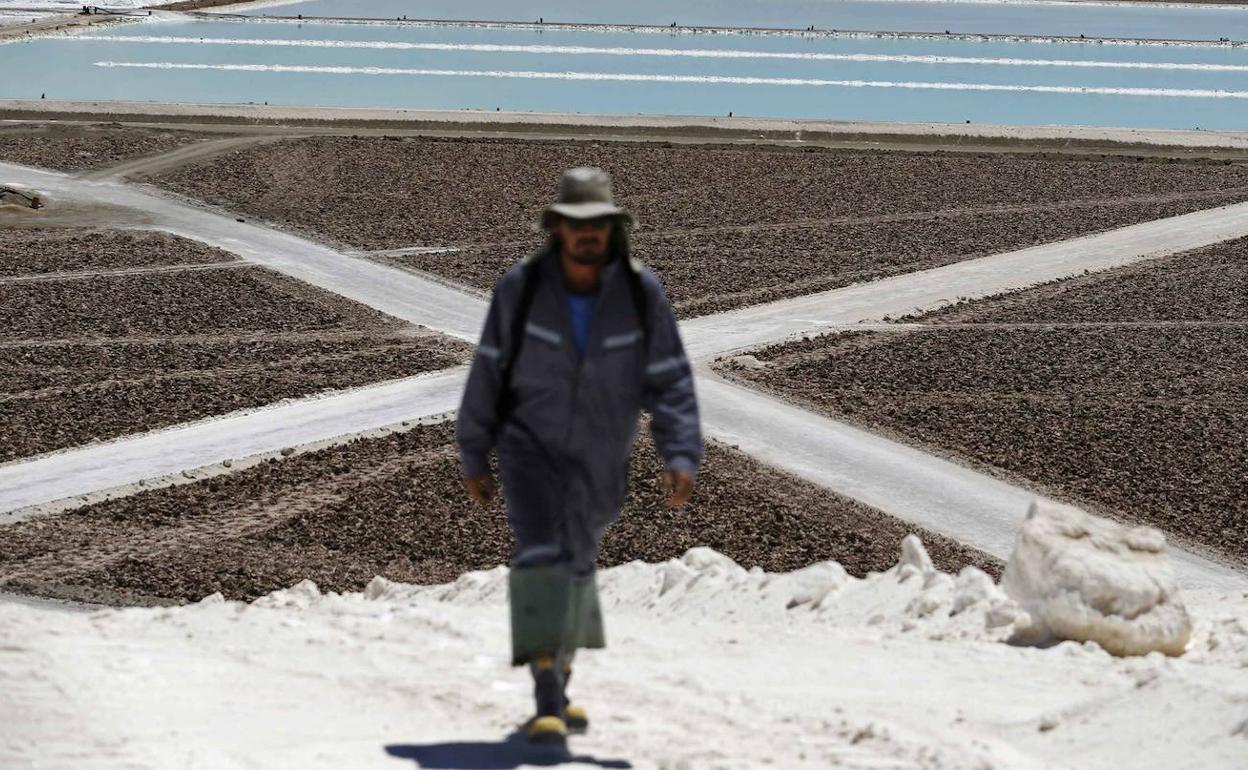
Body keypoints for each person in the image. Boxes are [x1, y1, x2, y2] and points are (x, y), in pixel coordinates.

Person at [457, 167, 702, 744]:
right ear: (558, 229)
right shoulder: (521, 288)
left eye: (598, 225)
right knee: (542, 554)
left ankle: (560, 671)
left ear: (613, 231)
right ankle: (546, 691)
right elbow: (489, 369)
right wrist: (475, 450)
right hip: (528, 447)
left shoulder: (641, 293)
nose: (587, 235)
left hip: (602, 454)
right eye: (576, 225)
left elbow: (668, 379)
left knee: (579, 564)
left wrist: (681, 451)